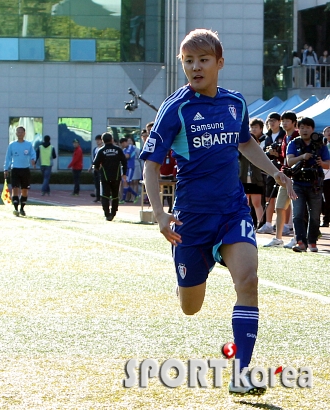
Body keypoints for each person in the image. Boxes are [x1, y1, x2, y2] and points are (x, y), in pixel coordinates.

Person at [140, 29, 296, 395]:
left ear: (219, 63)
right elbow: (150, 164)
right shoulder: (175, 108)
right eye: (188, 61)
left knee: (249, 281)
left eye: (203, 60)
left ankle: (241, 376)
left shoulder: (235, 103)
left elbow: (245, 141)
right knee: (190, 307)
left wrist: (274, 172)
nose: (195, 67)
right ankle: (188, 268)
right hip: (191, 219)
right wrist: (161, 215)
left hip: (232, 211)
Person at [286, 117, 330, 252]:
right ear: (298, 129)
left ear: (312, 129)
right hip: (298, 183)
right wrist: (302, 157)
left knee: (315, 215)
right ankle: (300, 242)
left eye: (308, 127)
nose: (305, 130)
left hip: (315, 184)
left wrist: (320, 163)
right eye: (302, 127)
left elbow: (328, 164)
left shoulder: (320, 144)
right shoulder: (294, 143)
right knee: (298, 214)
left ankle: (312, 242)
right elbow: (289, 162)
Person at [264, 111, 299, 248]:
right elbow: (283, 159)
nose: (284, 123)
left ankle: (298, 238)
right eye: (283, 120)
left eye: (287, 121)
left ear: (294, 123)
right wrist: (276, 155)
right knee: (279, 207)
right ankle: (278, 238)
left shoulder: (297, 136)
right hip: (285, 176)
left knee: (298, 209)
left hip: (296, 178)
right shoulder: (285, 137)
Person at [257, 112, 286, 234]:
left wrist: (278, 154)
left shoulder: (284, 134)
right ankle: (268, 223)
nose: (271, 123)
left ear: (279, 121)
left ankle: (285, 224)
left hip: (282, 168)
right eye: (269, 121)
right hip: (270, 169)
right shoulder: (266, 136)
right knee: (269, 196)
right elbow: (261, 152)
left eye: (274, 120)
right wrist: (270, 153)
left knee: (284, 197)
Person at [92, 132, 127, 221]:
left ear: (103, 140)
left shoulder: (101, 150)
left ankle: (107, 214)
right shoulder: (118, 150)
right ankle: (113, 213)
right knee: (115, 195)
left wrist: (97, 170)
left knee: (105, 196)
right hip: (116, 177)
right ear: (112, 139)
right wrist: (124, 173)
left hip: (105, 177)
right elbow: (124, 162)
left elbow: (95, 164)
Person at [4, 126, 36, 217]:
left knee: (24, 190)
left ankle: (22, 208)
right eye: (18, 132)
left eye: (21, 132)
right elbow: (8, 158)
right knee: (15, 189)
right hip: (15, 169)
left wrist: (33, 159)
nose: (19, 134)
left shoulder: (28, 145)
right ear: (16, 133)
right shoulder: (12, 145)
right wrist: (6, 169)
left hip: (25, 169)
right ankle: (15, 208)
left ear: (24, 133)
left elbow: (33, 154)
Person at [240, 118, 266, 228]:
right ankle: (245, 225)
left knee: (257, 203)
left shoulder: (259, 153)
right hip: (243, 180)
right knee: (244, 204)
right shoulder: (240, 152)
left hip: (256, 181)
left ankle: (261, 224)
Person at [119, 137, 139, 204]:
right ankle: (135, 195)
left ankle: (124, 199)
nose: (122, 145)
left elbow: (127, 156)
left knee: (126, 182)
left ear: (125, 142)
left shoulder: (130, 147)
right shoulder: (124, 149)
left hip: (130, 167)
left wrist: (119, 157)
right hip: (125, 168)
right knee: (125, 182)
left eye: (123, 144)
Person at [89, 134, 103, 202]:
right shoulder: (95, 149)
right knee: (96, 183)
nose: (98, 142)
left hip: (101, 168)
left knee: (101, 183)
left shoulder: (103, 149)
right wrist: (91, 167)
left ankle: (102, 197)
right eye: (97, 140)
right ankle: (97, 197)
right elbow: (94, 159)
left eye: (99, 140)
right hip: (95, 168)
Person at [321, 126, 330, 227]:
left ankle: (326, 219)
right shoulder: (321, 146)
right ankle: (325, 218)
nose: (329, 133)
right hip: (322, 175)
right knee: (322, 199)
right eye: (327, 131)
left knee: (328, 198)